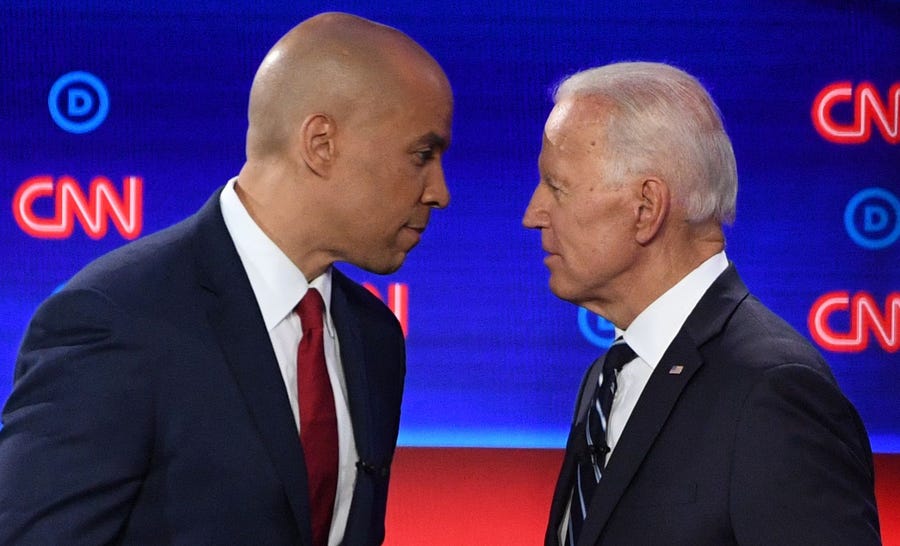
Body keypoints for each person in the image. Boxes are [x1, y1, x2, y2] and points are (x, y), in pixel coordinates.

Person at [0, 11, 451, 545]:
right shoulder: (117, 319)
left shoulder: (374, 335)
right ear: (321, 143)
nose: (439, 191)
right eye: (422, 155)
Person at [523, 62, 881, 545]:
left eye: (557, 187)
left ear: (646, 208)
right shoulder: (606, 378)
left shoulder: (774, 390)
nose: (533, 213)